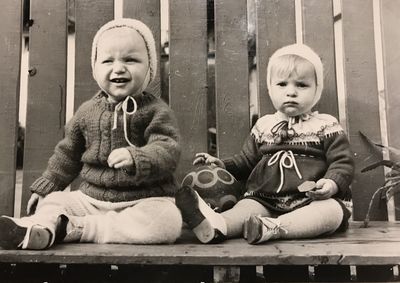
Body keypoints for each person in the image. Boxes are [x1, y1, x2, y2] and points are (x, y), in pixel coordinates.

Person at [0, 18, 182, 250]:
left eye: (131, 60)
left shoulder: (156, 110)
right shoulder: (86, 112)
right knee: (54, 201)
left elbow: (167, 148)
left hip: (144, 199)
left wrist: (139, 157)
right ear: (95, 69)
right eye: (108, 60)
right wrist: (48, 185)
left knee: (168, 220)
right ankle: (38, 229)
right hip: (91, 200)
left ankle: (79, 229)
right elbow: (67, 154)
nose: (118, 68)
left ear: (150, 67)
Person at [175, 43, 354, 245]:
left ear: (316, 89)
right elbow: (246, 161)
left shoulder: (325, 125)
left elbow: (342, 162)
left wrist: (331, 183)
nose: (291, 92)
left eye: (302, 85)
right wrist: (222, 164)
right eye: (282, 84)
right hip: (265, 198)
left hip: (310, 198)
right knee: (244, 208)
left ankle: (271, 228)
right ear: (270, 89)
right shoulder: (264, 125)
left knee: (331, 211)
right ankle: (218, 225)